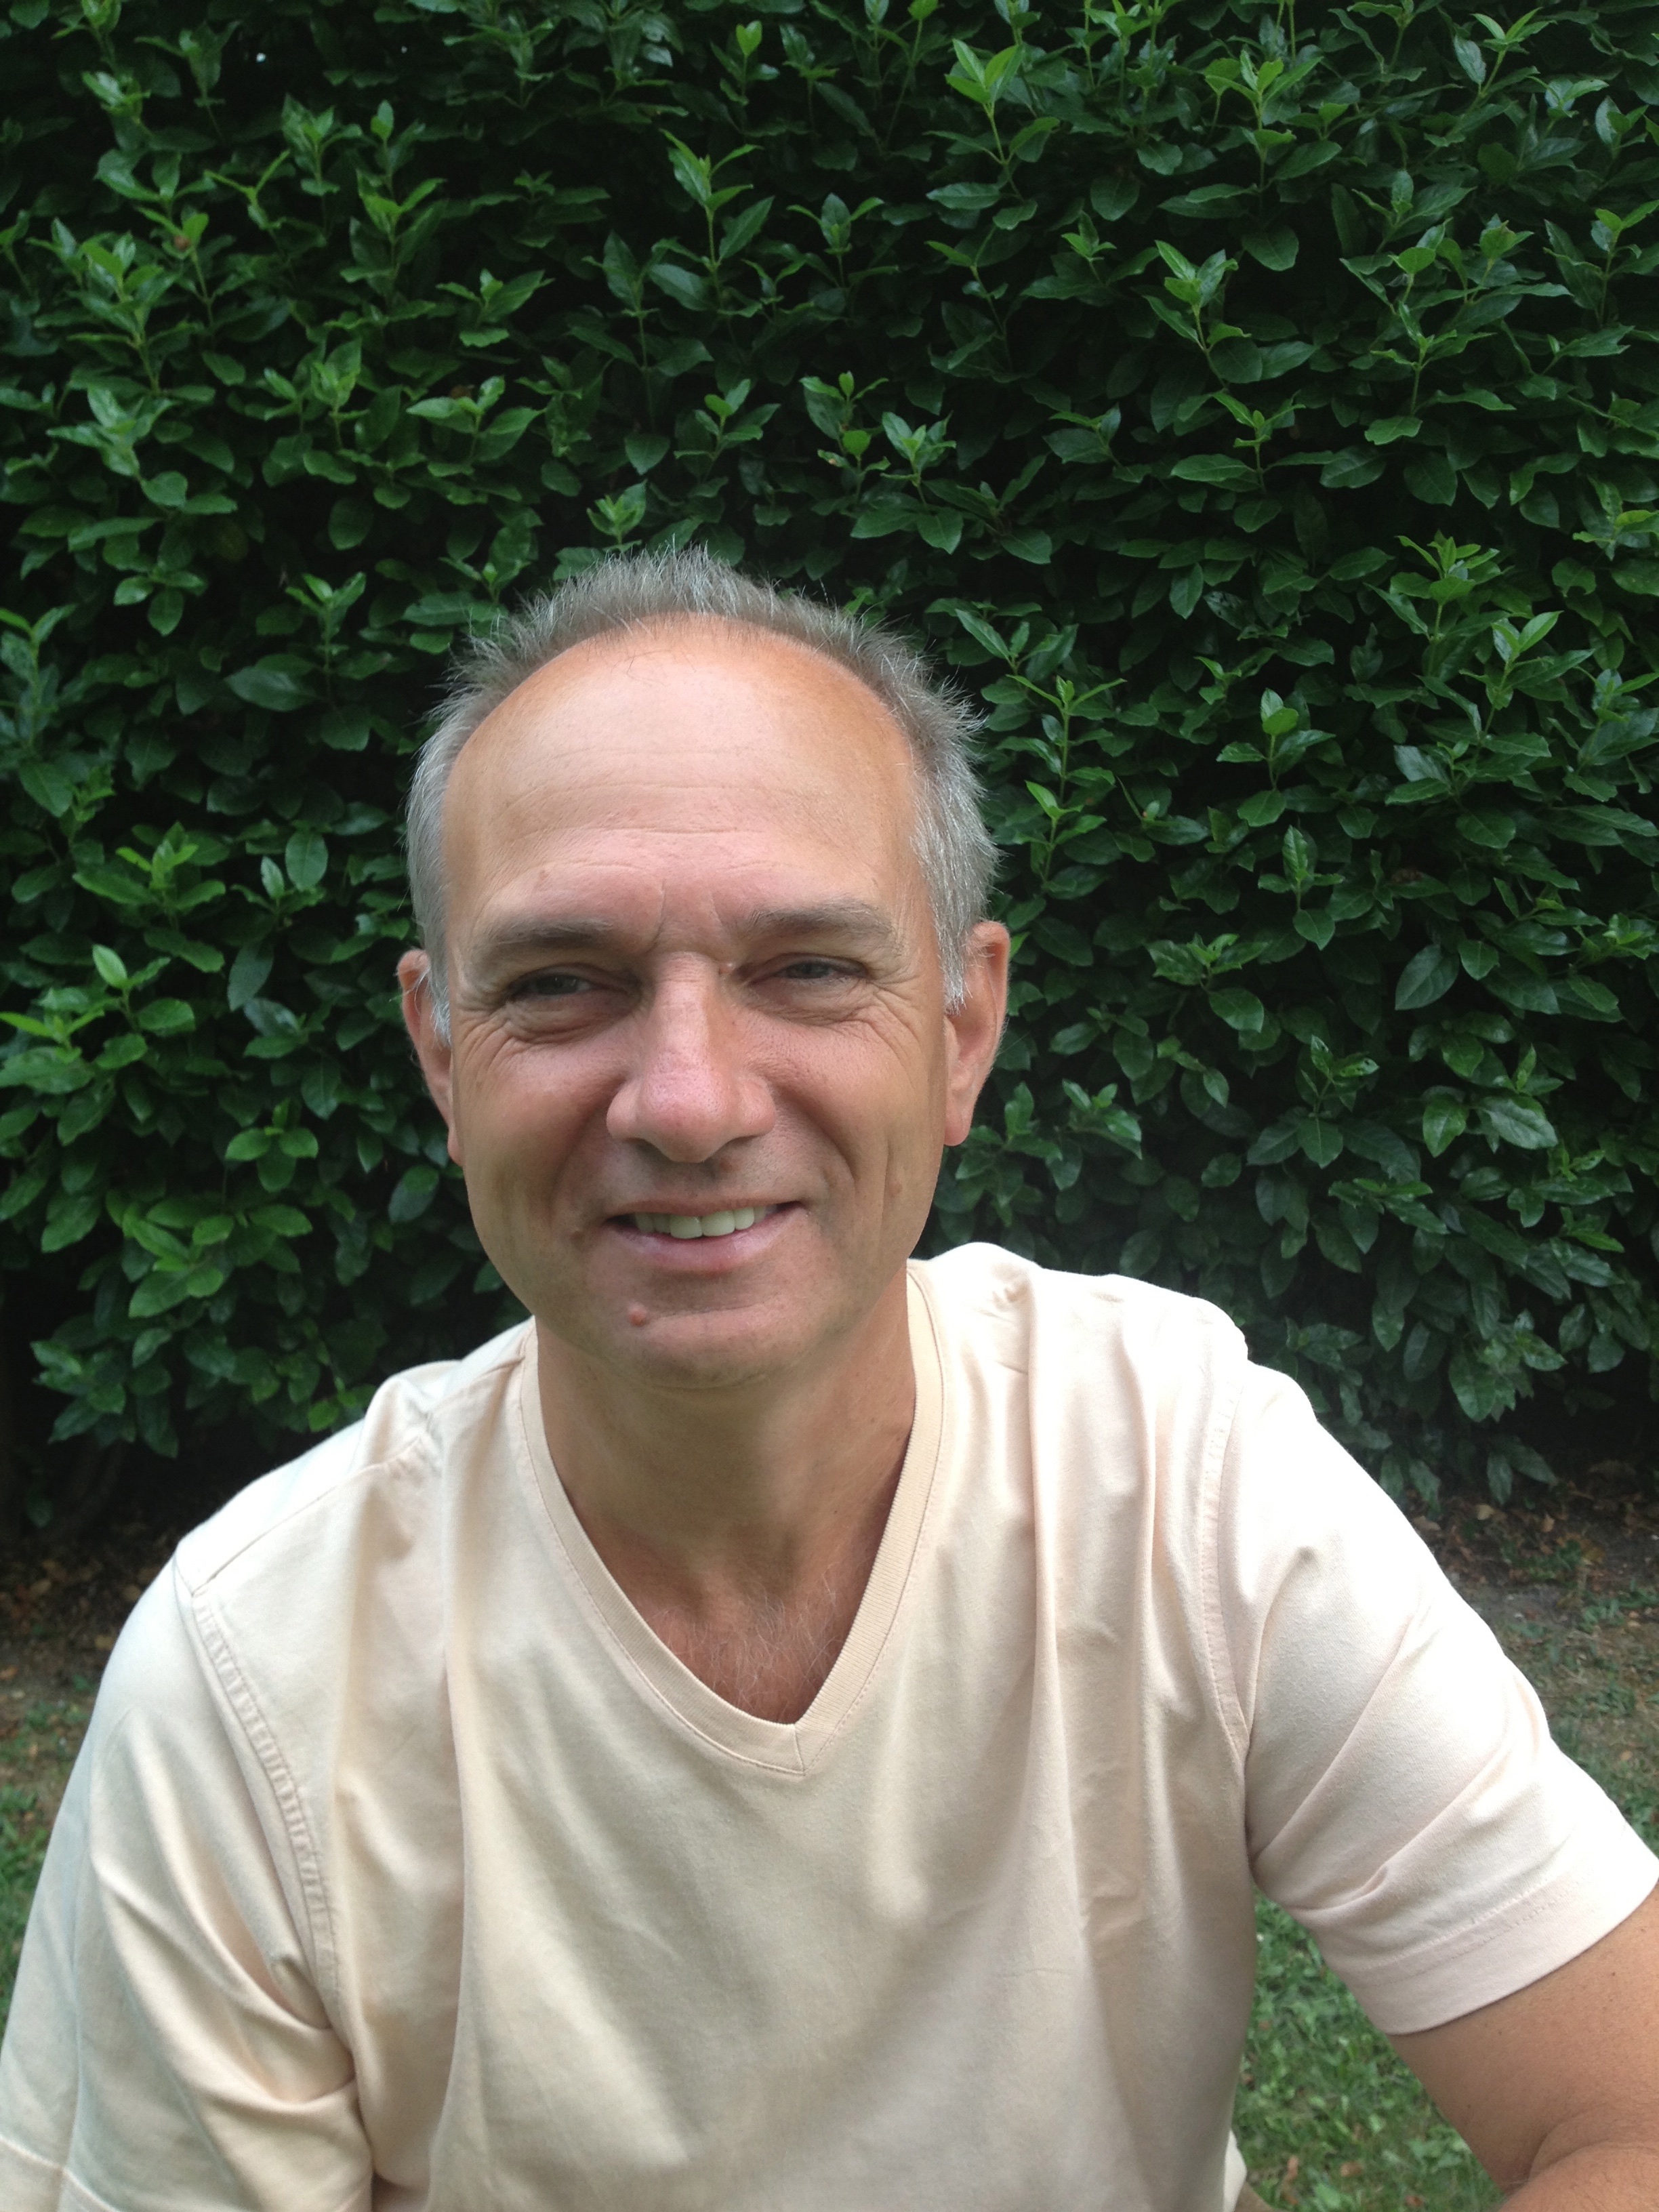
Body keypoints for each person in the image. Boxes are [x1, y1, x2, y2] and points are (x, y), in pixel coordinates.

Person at [2, 550, 1656, 2212]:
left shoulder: (1185, 1476)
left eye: (807, 968)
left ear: (963, 1028)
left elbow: (1627, 2116)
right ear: (444, 1054)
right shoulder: (252, 1682)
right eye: (561, 983)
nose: (689, 1100)